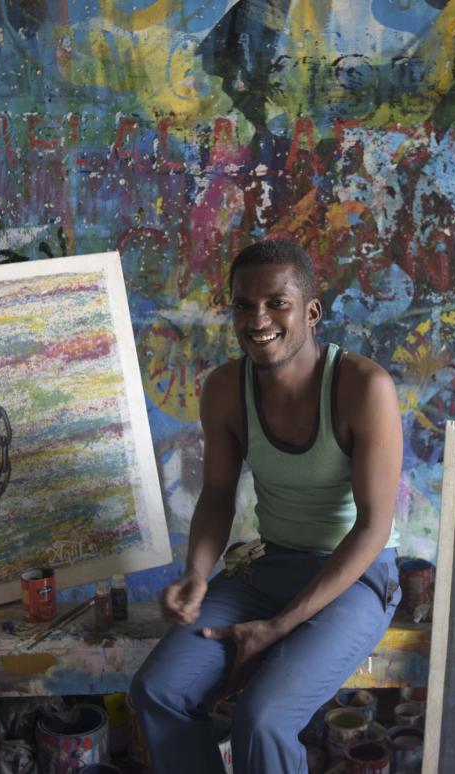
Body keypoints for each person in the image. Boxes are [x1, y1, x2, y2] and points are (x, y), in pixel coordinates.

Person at [129, 239, 403, 773]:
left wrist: (278, 626)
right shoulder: (225, 389)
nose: (258, 320)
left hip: (356, 578)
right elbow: (216, 496)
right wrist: (196, 574)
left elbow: (373, 527)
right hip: (271, 565)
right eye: (243, 305)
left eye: (277, 303)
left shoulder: (363, 387)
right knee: (159, 690)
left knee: (263, 717)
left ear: (311, 312)